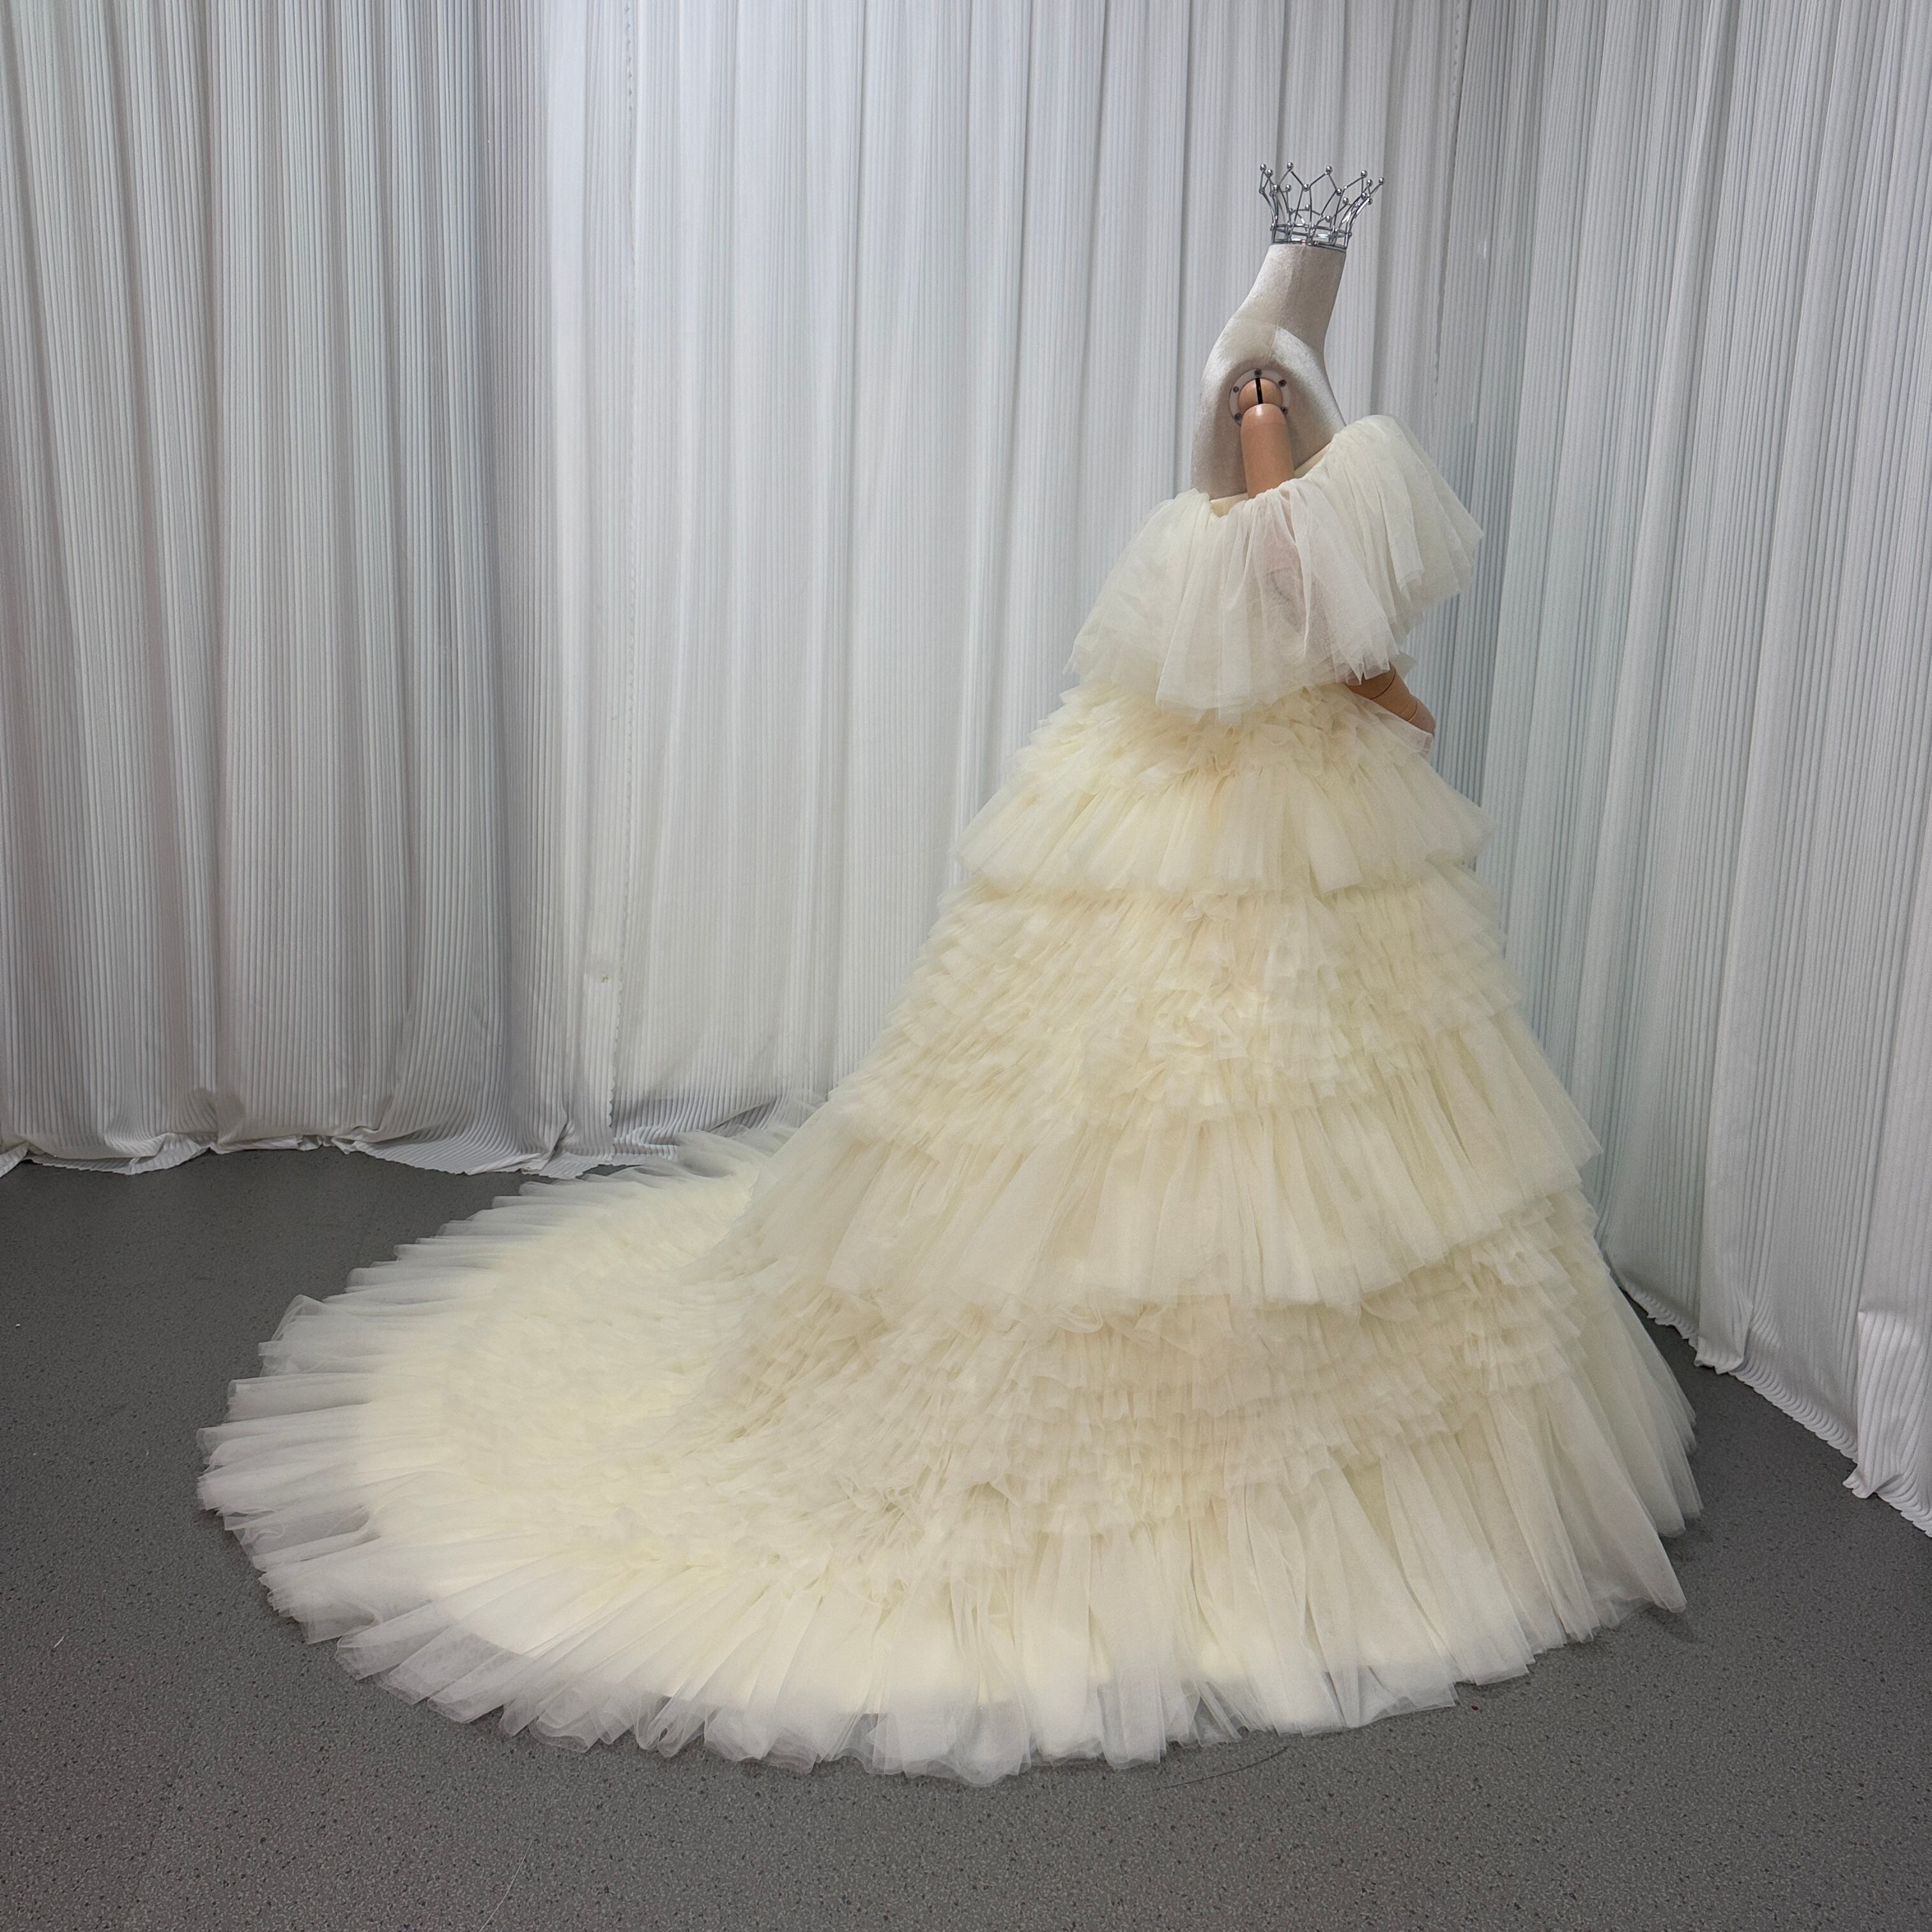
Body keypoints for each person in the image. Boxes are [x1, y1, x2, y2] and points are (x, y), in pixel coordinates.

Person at [200, 172, 1700, 1788]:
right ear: (1302, 249)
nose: (1321, 262)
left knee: (1291, 1128)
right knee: (1212, 1115)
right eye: (1317, 240)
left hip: (1259, 789)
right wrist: (1392, 694)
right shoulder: (1265, 372)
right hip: (1262, 797)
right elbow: (1291, 576)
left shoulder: (1271, 354)